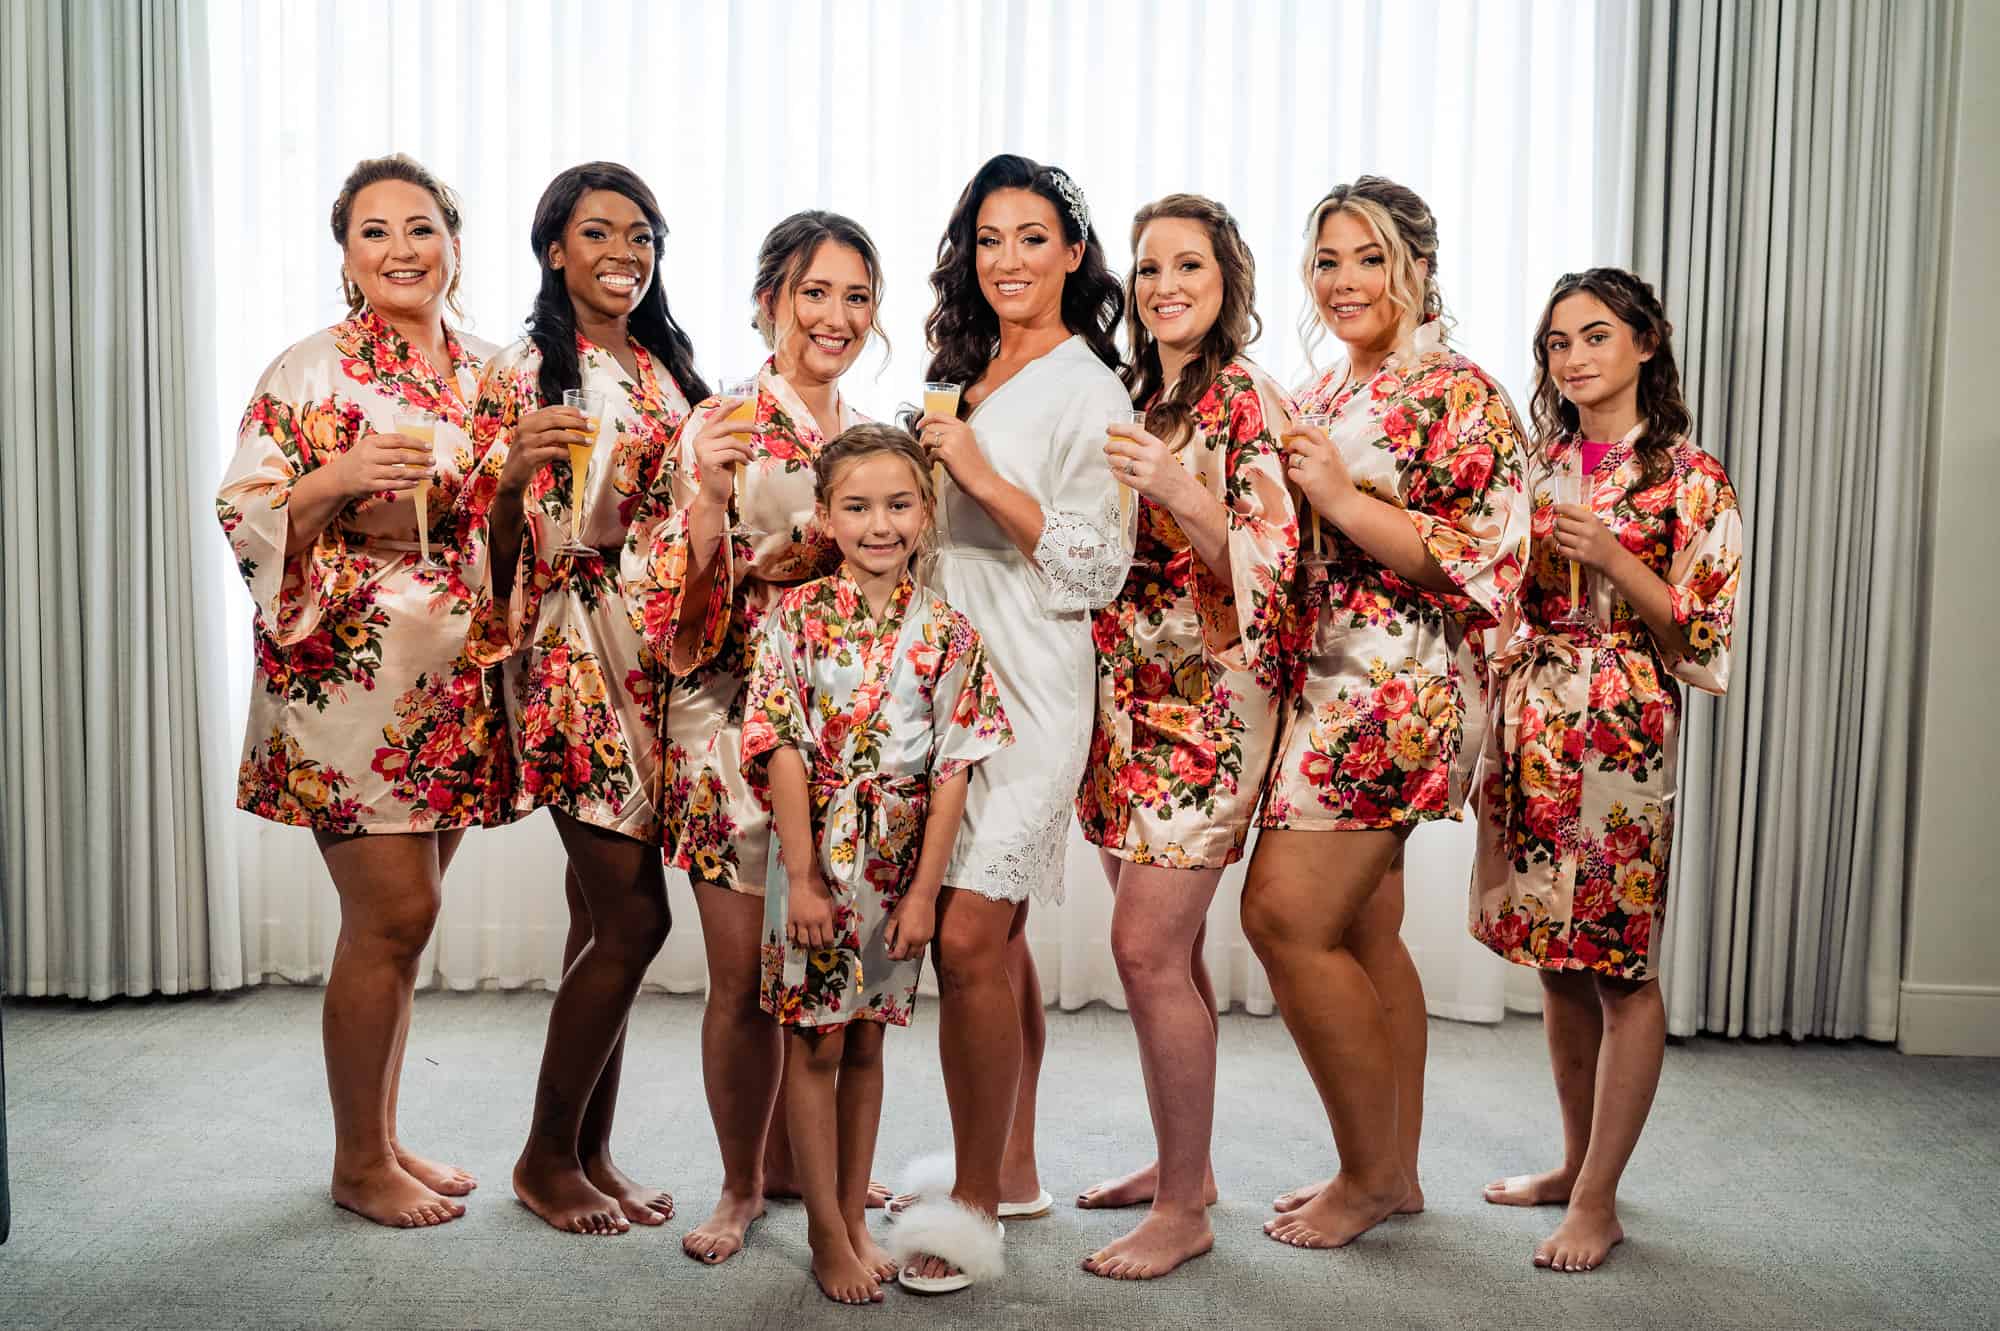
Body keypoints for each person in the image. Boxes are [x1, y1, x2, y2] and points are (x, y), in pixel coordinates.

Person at [216, 153, 507, 1228]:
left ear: (453, 244)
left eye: (419, 227)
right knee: (395, 908)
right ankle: (355, 1159)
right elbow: (243, 507)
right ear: (345, 254)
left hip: (456, 680)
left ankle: (379, 1135)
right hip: (348, 673)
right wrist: (336, 479)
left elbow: (525, 516)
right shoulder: (307, 369)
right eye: (374, 231)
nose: (400, 249)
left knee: (401, 929)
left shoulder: (491, 369)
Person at [1246, 176, 1530, 1250]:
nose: (1344, 280)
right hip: (1318, 680)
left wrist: (1338, 500)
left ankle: (1364, 1177)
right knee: (1364, 928)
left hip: (1394, 686)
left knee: (1280, 916)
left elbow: (1479, 562)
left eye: (1367, 257)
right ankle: (1392, 1167)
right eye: (1325, 261)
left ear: (1417, 264)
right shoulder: (1323, 389)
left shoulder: (1457, 390)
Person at [623, 211, 887, 1264]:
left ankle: (820, 1181)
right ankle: (740, 1184)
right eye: (814, 292)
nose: (834, 316)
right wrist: (709, 503)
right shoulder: (717, 422)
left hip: (849, 738)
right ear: (769, 298)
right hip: (731, 724)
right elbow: (668, 610)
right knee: (740, 976)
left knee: (833, 972)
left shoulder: (873, 433)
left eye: (856, 296)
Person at [888, 152, 1131, 1295]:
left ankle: (974, 1208)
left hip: (1033, 681)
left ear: (1073, 254)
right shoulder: (972, 369)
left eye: (1032, 238)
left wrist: (975, 470)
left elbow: (1097, 562)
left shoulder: (1090, 385)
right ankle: (1014, 1162)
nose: (1008, 260)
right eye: (989, 239)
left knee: (969, 936)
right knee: (1002, 942)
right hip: (946, 682)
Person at [1472, 267, 1742, 1272]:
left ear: (1644, 343)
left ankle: (1599, 1198)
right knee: (1554, 958)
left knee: (1617, 964)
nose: (1573, 357)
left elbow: (1705, 634)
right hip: (1533, 725)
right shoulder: (1536, 464)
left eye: (1594, 336)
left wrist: (1620, 561)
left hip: (1621, 733)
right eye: (1555, 342)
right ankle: (1573, 1161)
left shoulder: (1690, 476)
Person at [463, 162, 705, 1235]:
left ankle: (591, 1149)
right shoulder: (525, 370)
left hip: (657, 661)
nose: (623, 250)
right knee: (634, 916)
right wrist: (511, 481)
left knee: (593, 914)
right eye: (596, 231)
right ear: (553, 247)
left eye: (640, 233)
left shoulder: (660, 366)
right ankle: (541, 1156)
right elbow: (485, 547)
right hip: (570, 657)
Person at [1072, 193, 1297, 1279]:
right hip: (1120, 696)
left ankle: (1181, 1208)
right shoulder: (1129, 393)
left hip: (1206, 705)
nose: (1164, 286)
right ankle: (1186, 1169)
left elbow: (1271, 561)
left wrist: (1176, 490)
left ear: (1226, 282)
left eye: (1189, 268)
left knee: (1143, 946)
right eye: (1149, 267)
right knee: (1166, 951)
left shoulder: (1245, 397)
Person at [742, 424, 1013, 1303]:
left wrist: (929, 892)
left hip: (899, 867)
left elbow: (954, 769)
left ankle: (856, 1215)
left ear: (926, 514)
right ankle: (825, 1230)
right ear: (825, 515)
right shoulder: (795, 616)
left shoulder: (946, 629)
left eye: (899, 504)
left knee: (864, 1042)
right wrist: (806, 876)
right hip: (817, 856)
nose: (879, 524)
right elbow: (779, 743)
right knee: (814, 1042)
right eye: (856, 507)